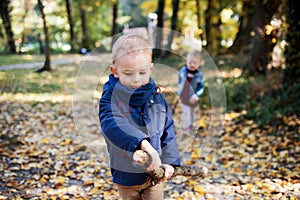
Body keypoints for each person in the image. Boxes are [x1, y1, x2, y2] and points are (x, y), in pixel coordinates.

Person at [99, 34, 180, 200]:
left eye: (142, 72)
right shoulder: (110, 97)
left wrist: (171, 161)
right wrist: (143, 144)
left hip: (155, 176)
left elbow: (167, 129)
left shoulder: (156, 96)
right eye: (128, 74)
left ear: (150, 69)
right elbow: (113, 125)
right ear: (115, 71)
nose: (136, 80)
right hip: (127, 174)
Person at [178, 50, 205, 132]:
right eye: (189, 63)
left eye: (194, 63)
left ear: (200, 63)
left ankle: (191, 125)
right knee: (186, 112)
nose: (192, 65)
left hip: (193, 97)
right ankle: (186, 127)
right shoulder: (183, 71)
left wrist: (196, 95)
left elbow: (201, 87)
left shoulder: (199, 75)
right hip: (184, 96)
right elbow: (180, 78)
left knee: (192, 112)